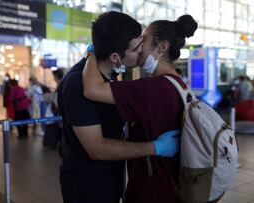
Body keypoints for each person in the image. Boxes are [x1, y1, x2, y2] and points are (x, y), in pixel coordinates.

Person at [58, 11, 179, 203]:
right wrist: (155, 147)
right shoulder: (77, 84)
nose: (142, 51)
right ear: (115, 57)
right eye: (137, 48)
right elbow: (96, 148)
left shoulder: (110, 75)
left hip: (111, 178)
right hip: (87, 186)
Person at [83, 14, 198, 203]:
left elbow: (92, 89)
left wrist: (94, 52)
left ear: (161, 48)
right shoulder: (179, 84)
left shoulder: (152, 88)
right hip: (174, 186)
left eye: (144, 40)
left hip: (151, 190)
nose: (138, 45)